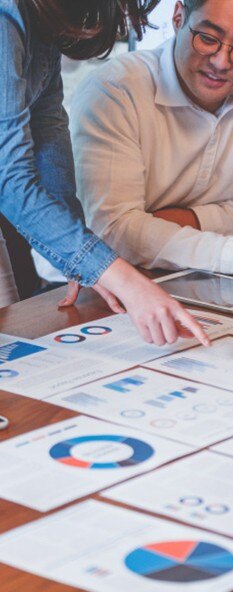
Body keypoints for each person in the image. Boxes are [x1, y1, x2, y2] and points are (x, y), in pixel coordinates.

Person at [36, 0, 233, 286]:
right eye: (207, 39)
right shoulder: (115, 90)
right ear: (179, 16)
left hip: (196, 275)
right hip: (84, 285)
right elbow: (112, 231)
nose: (221, 62)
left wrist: (195, 220)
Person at [0, 0, 209, 347]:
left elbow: (48, 130)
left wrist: (78, 256)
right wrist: (117, 275)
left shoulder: (42, 20)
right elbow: (10, 180)